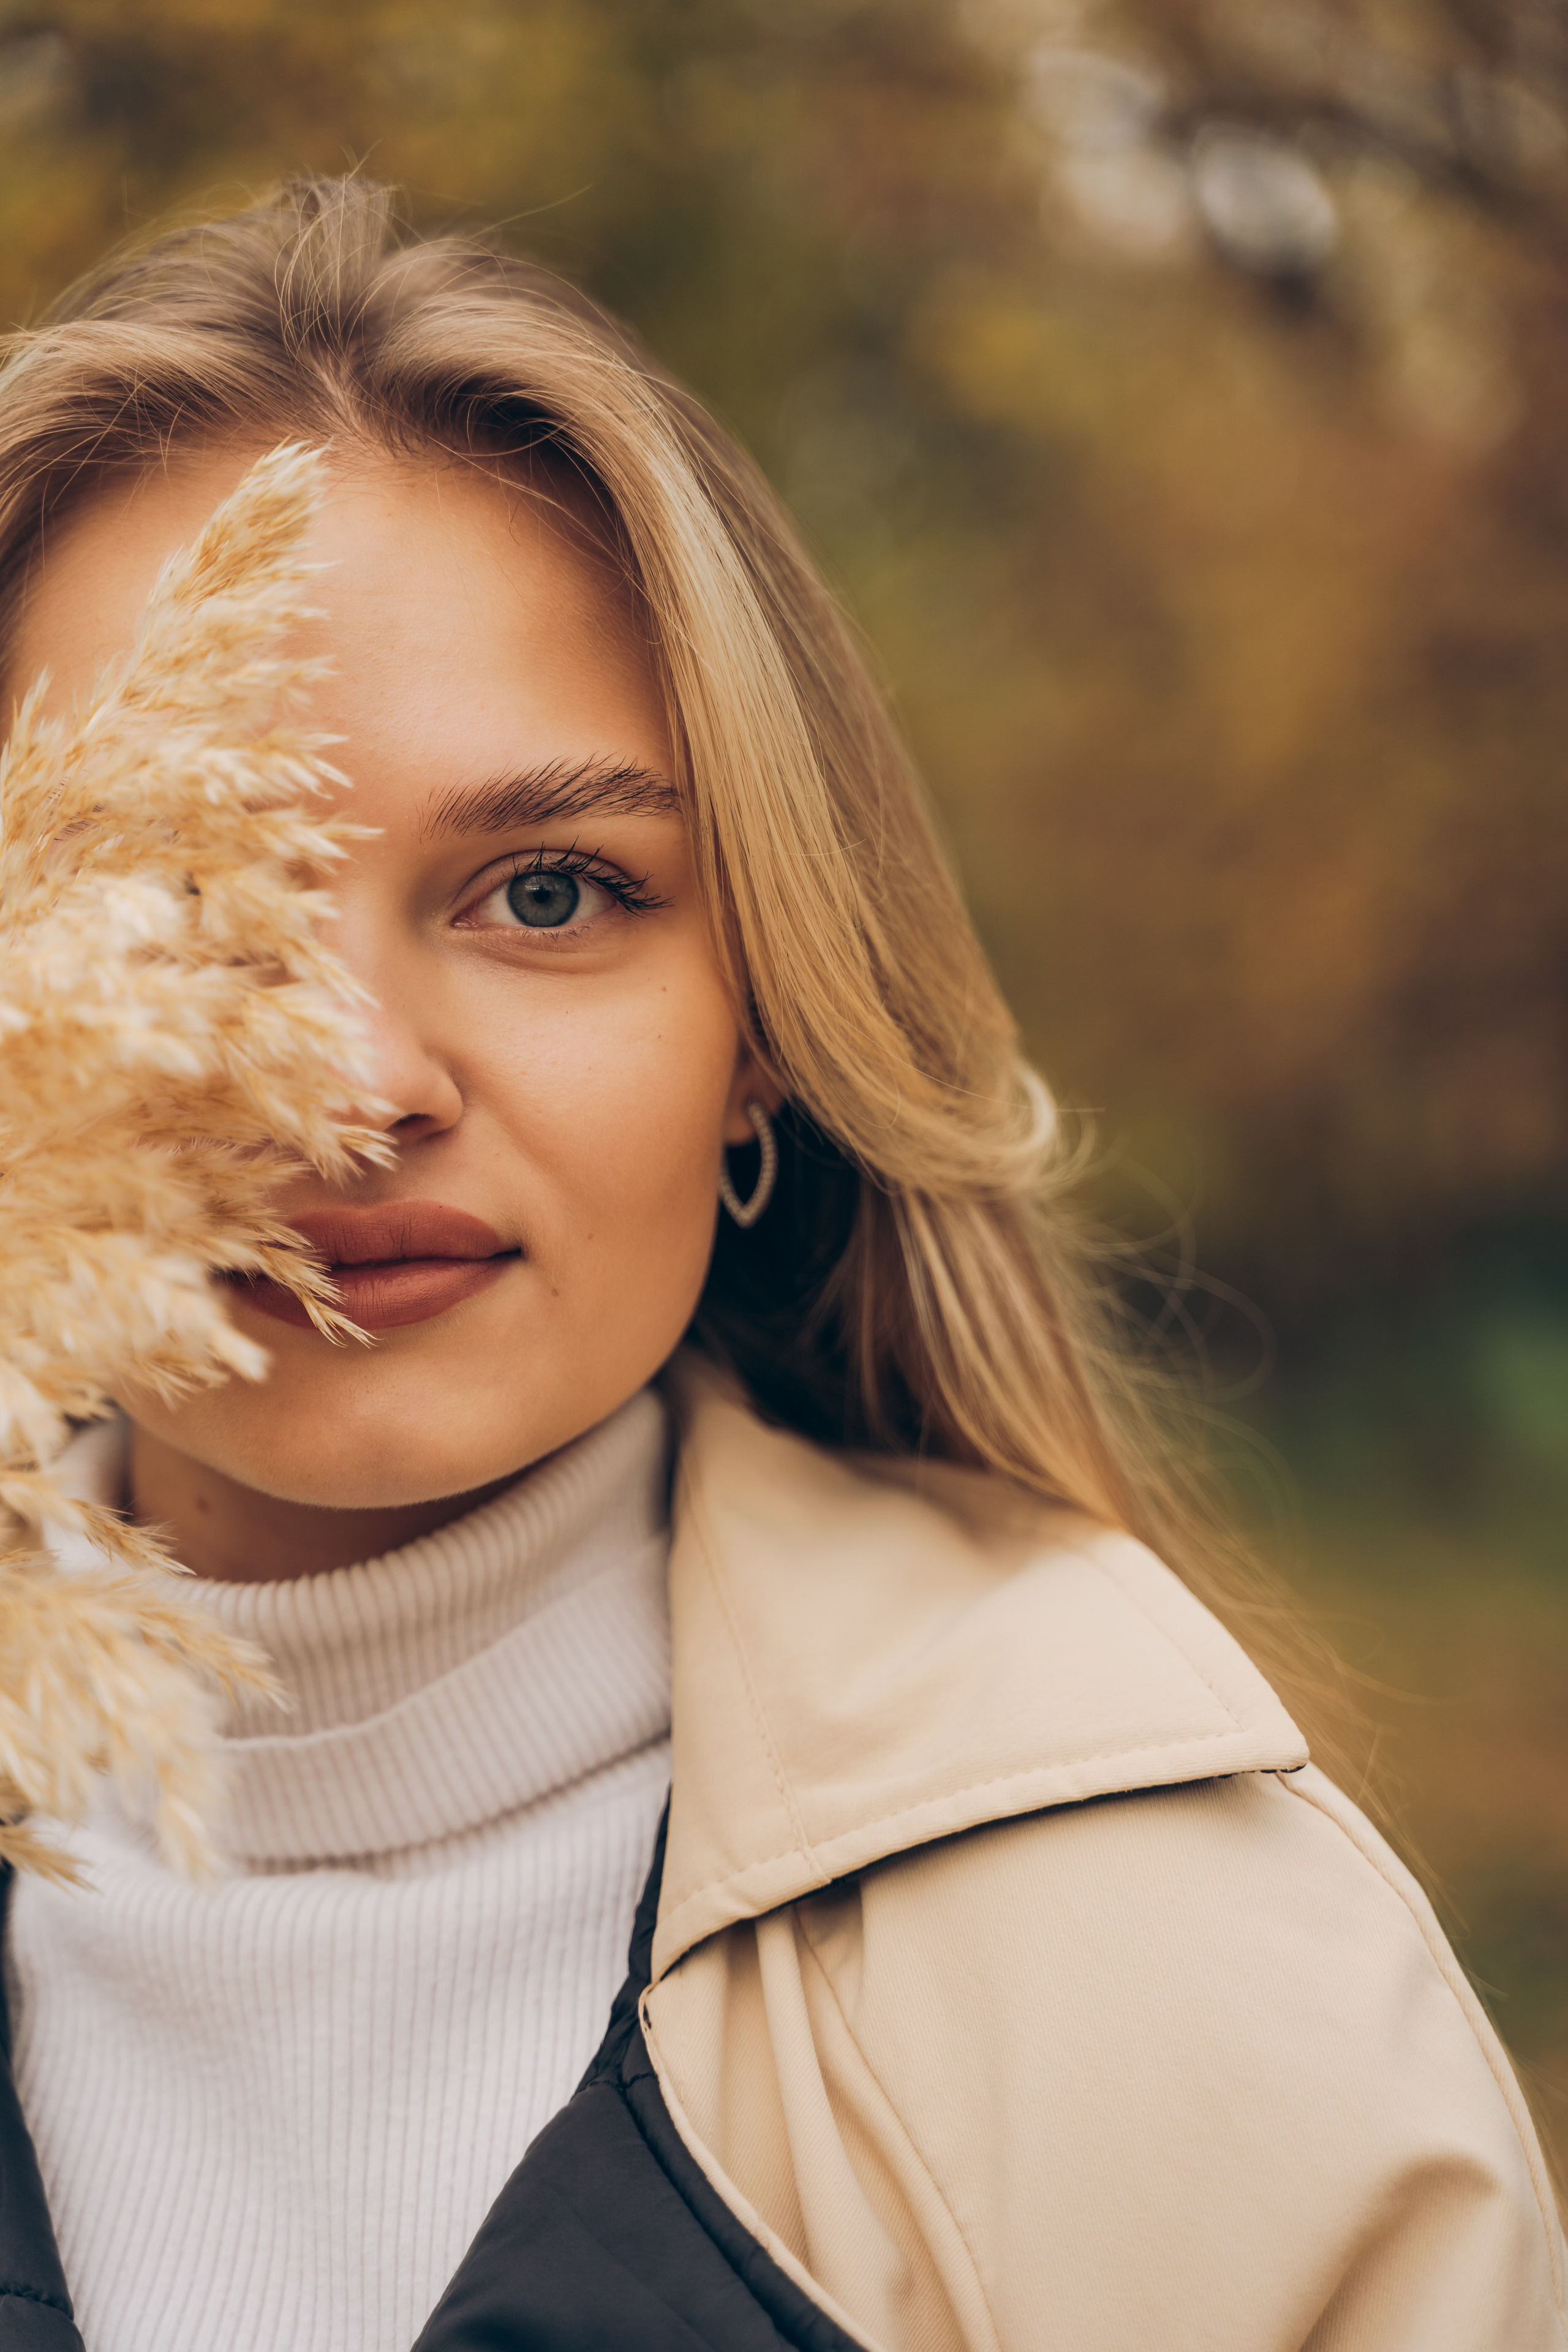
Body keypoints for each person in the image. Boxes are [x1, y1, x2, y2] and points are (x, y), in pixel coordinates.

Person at [0, 176, 1559, 2352]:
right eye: (169, 898)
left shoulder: (1178, 1983)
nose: (349, 1084)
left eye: (548, 895)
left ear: (762, 1032)